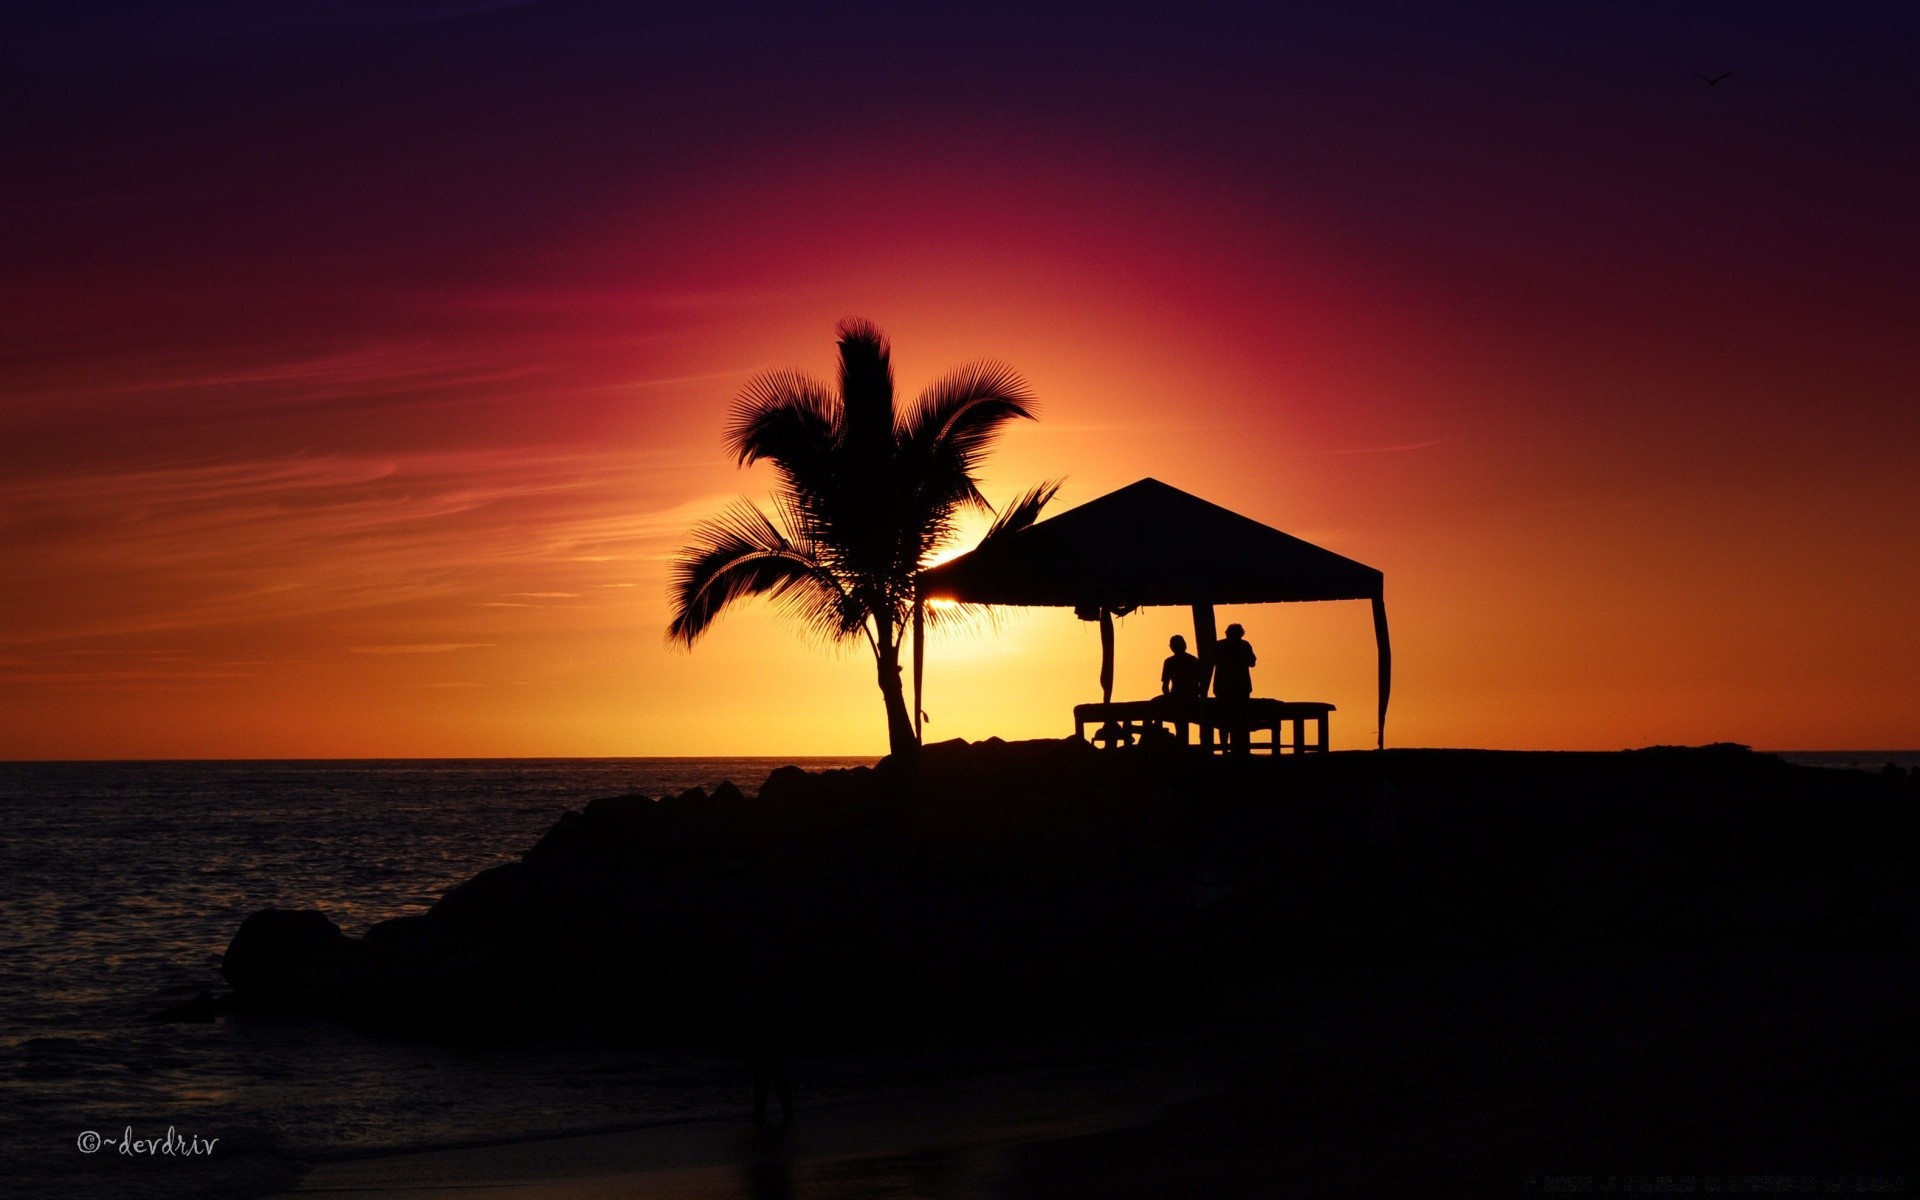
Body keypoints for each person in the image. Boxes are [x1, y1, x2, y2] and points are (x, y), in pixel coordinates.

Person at [1211, 623, 1257, 754]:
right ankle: (1239, 749)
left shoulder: (1219, 645)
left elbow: (1211, 661)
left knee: (1223, 720)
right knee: (1240, 720)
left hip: (1222, 688)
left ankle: (1224, 748)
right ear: (1241, 633)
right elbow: (1252, 662)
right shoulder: (1244, 645)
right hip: (1241, 688)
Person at [1159, 635, 1204, 744]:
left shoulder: (1169, 662)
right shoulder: (1193, 660)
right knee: (1198, 725)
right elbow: (1201, 682)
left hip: (1177, 697)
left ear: (1171, 647)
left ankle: (1182, 747)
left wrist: (1168, 697)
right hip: (1192, 697)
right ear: (1184, 645)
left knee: (1180, 726)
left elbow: (1165, 685)